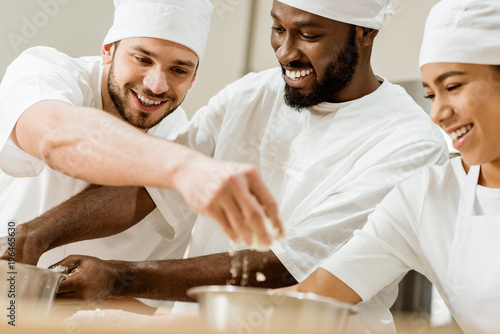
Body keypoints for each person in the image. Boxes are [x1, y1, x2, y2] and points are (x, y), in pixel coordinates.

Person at [2, 0, 449, 332]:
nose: (285, 52)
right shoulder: (254, 93)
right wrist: (36, 235)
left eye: (308, 35)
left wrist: (118, 278)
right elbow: (151, 190)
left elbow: (292, 266)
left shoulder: (409, 142)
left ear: (363, 33)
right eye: (277, 29)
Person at [0, 0, 282, 272]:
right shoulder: (45, 73)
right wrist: (182, 167)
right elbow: (54, 137)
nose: (156, 85)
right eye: (143, 59)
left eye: (178, 70)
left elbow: (142, 302)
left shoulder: (179, 140)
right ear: (108, 51)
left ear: (194, 78)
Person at [288, 0, 500, 333]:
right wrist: (192, 320)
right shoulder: (426, 198)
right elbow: (310, 298)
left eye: (453, 87)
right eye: (431, 95)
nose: (438, 113)